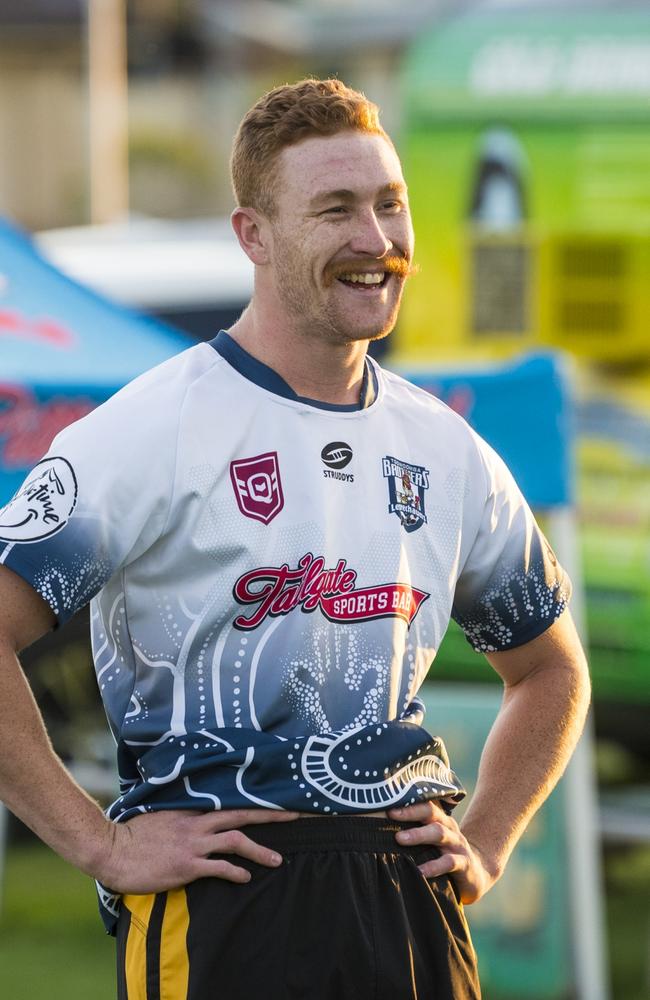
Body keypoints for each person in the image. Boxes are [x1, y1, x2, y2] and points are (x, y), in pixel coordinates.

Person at [0, 79, 590, 1000]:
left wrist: (491, 835)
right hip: (226, 897)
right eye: (335, 210)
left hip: (408, 896)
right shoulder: (149, 429)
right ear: (254, 236)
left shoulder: (446, 446)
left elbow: (552, 669)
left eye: (390, 205)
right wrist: (97, 841)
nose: (377, 240)